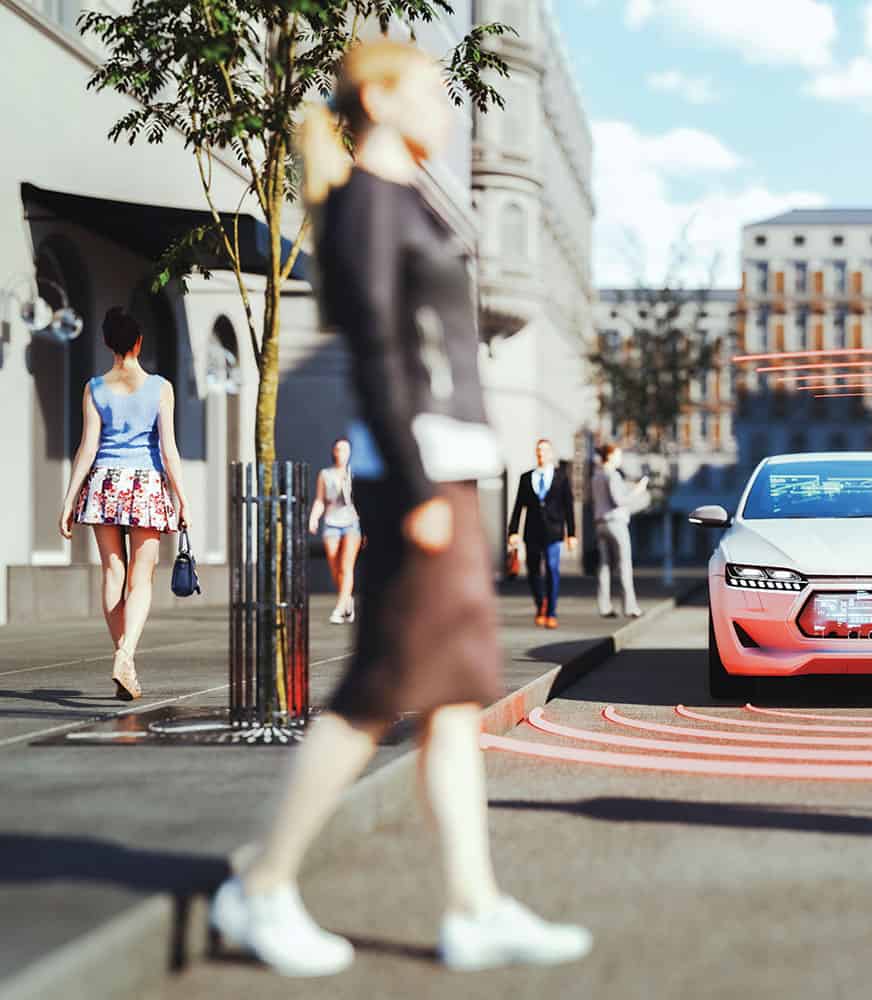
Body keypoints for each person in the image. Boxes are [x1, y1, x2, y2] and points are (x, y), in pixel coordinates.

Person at [209, 39, 591, 977]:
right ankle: (259, 888)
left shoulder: (403, 197)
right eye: (432, 92)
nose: (450, 111)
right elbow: (380, 355)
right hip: (417, 475)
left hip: (447, 470)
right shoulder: (367, 208)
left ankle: (473, 908)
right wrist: (419, 492)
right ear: (378, 95)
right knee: (380, 690)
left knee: (455, 697)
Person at [58, 307, 189, 702]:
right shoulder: (161, 388)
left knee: (113, 573)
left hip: (103, 484)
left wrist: (68, 501)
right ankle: (126, 654)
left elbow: (87, 448)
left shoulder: (94, 387)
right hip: (146, 485)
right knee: (141, 577)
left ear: (106, 343)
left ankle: (124, 659)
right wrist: (183, 499)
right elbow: (168, 450)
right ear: (139, 342)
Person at [507, 439, 578, 629]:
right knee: (533, 572)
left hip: (554, 531)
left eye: (545, 450)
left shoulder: (561, 477)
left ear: (551, 454)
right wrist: (513, 531)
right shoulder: (526, 478)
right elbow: (518, 507)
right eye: (538, 450)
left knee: (553, 569)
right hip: (532, 531)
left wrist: (571, 534)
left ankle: (552, 612)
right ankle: (541, 605)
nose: (541, 453)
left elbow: (568, 506)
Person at [591, 443, 649, 618]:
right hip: (615, 523)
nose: (620, 458)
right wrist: (637, 491)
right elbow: (619, 500)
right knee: (624, 565)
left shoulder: (596, 476)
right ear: (609, 457)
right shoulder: (612, 475)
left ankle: (604, 606)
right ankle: (630, 607)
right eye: (618, 455)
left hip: (600, 523)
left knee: (604, 566)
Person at [308, 438, 362, 624]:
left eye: (345, 449)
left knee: (346, 566)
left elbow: (361, 501)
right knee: (334, 564)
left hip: (352, 522)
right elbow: (320, 499)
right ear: (334, 452)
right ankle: (347, 599)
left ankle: (340, 609)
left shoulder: (354, 474)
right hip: (332, 521)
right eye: (339, 449)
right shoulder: (325, 474)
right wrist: (314, 517)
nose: (342, 453)